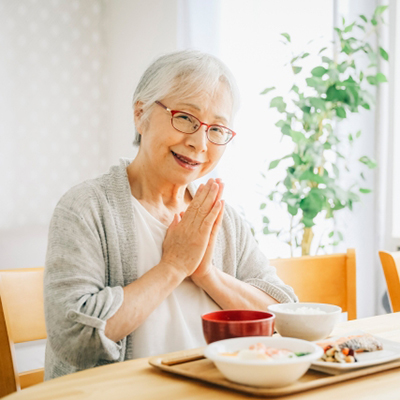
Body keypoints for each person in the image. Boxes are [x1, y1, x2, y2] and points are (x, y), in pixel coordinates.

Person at [44, 50, 297, 380]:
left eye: (217, 129)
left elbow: (284, 316)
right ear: (140, 114)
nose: (199, 143)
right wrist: (174, 266)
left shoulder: (223, 218)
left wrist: (208, 274)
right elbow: (74, 337)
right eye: (186, 119)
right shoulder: (86, 207)